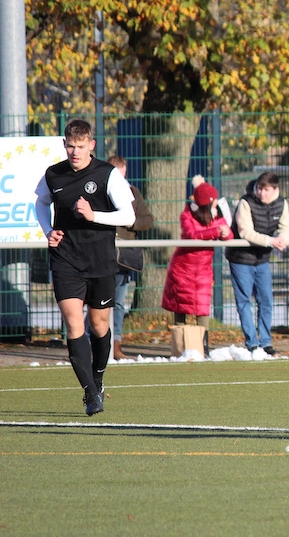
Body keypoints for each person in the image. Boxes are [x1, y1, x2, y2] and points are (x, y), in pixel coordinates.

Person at [33, 119, 137, 415]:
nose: (75, 152)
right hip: (66, 259)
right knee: (73, 322)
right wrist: (47, 231)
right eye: (70, 146)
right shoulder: (53, 174)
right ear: (64, 145)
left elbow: (128, 216)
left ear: (91, 145)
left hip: (100, 260)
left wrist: (94, 216)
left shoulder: (108, 174)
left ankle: (98, 377)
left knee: (99, 325)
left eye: (80, 146)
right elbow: (40, 203)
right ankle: (91, 393)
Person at [161, 176, 233, 356]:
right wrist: (215, 231)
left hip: (203, 270)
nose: (216, 204)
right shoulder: (187, 215)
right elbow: (192, 234)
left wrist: (225, 233)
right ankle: (180, 347)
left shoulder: (216, 216)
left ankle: (203, 346)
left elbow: (228, 233)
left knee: (202, 308)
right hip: (183, 269)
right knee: (180, 307)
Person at [226, 171, 289, 355]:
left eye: (266, 190)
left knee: (266, 301)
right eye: (260, 188)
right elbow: (245, 232)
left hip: (262, 260)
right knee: (244, 302)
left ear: (275, 190)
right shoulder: (245, 202)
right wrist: (271, 241)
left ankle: (265, 342)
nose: (262, 193)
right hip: (241, 259)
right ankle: (252, 343)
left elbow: (287, 228)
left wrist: (283, 239)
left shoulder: (282, 204)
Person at [107, 155, 154, 360]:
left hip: (123, 257)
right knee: (97, 301)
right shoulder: (100, 193)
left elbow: (147, 219)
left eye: (122, 174)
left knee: (117, 303)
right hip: (102, 253)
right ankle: (91, 342)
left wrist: (131, 222)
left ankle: (116, 343)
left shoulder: (133, 193)